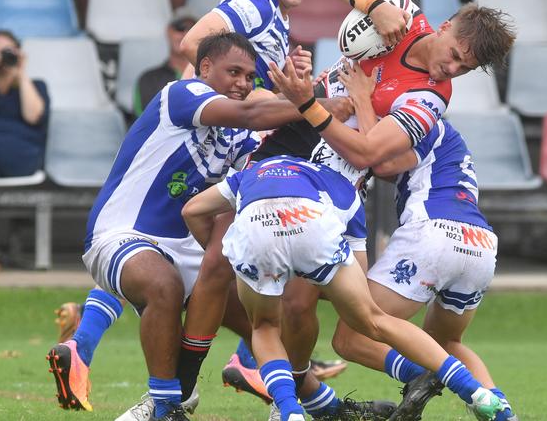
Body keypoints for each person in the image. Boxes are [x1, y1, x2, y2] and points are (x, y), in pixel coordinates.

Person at [45, 32, 351, 420]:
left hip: (184, 247)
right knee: (163, 286)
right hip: (123, 232)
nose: (242, 83)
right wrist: (317, 106)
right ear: (205, 68)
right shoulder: (181, 94)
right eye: (233, 72)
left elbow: (261, 141)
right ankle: (166, 404)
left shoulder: (238, 138)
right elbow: (252, 114)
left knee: (266, 314)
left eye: (249, 77)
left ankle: (321, 404)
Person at [174, 0, 407, 418]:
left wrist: (291, 83)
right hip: (215, 142)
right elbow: (194, 46)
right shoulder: (251, 5)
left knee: (247, 282)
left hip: (239, 149)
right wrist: (258, 93)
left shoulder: (277, 19)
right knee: (211, 267)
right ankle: (176, 392)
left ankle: (295, 391)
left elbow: (262, 91)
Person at [182, 155, 506, 421]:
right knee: (372, 320)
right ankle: (474, 391)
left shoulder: (250, 172)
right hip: (309, 221)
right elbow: (356, 275)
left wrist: (237, 257)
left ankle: (290, 413)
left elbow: (192, 210)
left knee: (265, 327)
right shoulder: (345, 189)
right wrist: (317, 275)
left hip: (255, 229)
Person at [318, 60, 519, 420]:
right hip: (480, 243)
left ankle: (423, 377)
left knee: (351, 336)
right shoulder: (447, 136)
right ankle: (502, 412)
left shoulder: (423, 121)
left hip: (434, 235)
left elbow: (380, 162)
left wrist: (362, 100)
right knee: (447, 344)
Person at [0, 30, 49, 276]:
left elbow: (33, 115)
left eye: (8, 51)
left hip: (22, 155)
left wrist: (20, 72)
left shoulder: (36, 85)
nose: (3, 57)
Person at [133, 7, 198, 118]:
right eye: (180, 28)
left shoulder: (208, 76)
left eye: (192, 29)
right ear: (168, 31)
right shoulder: (148, 79)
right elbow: (146, 122)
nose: (186, 34)